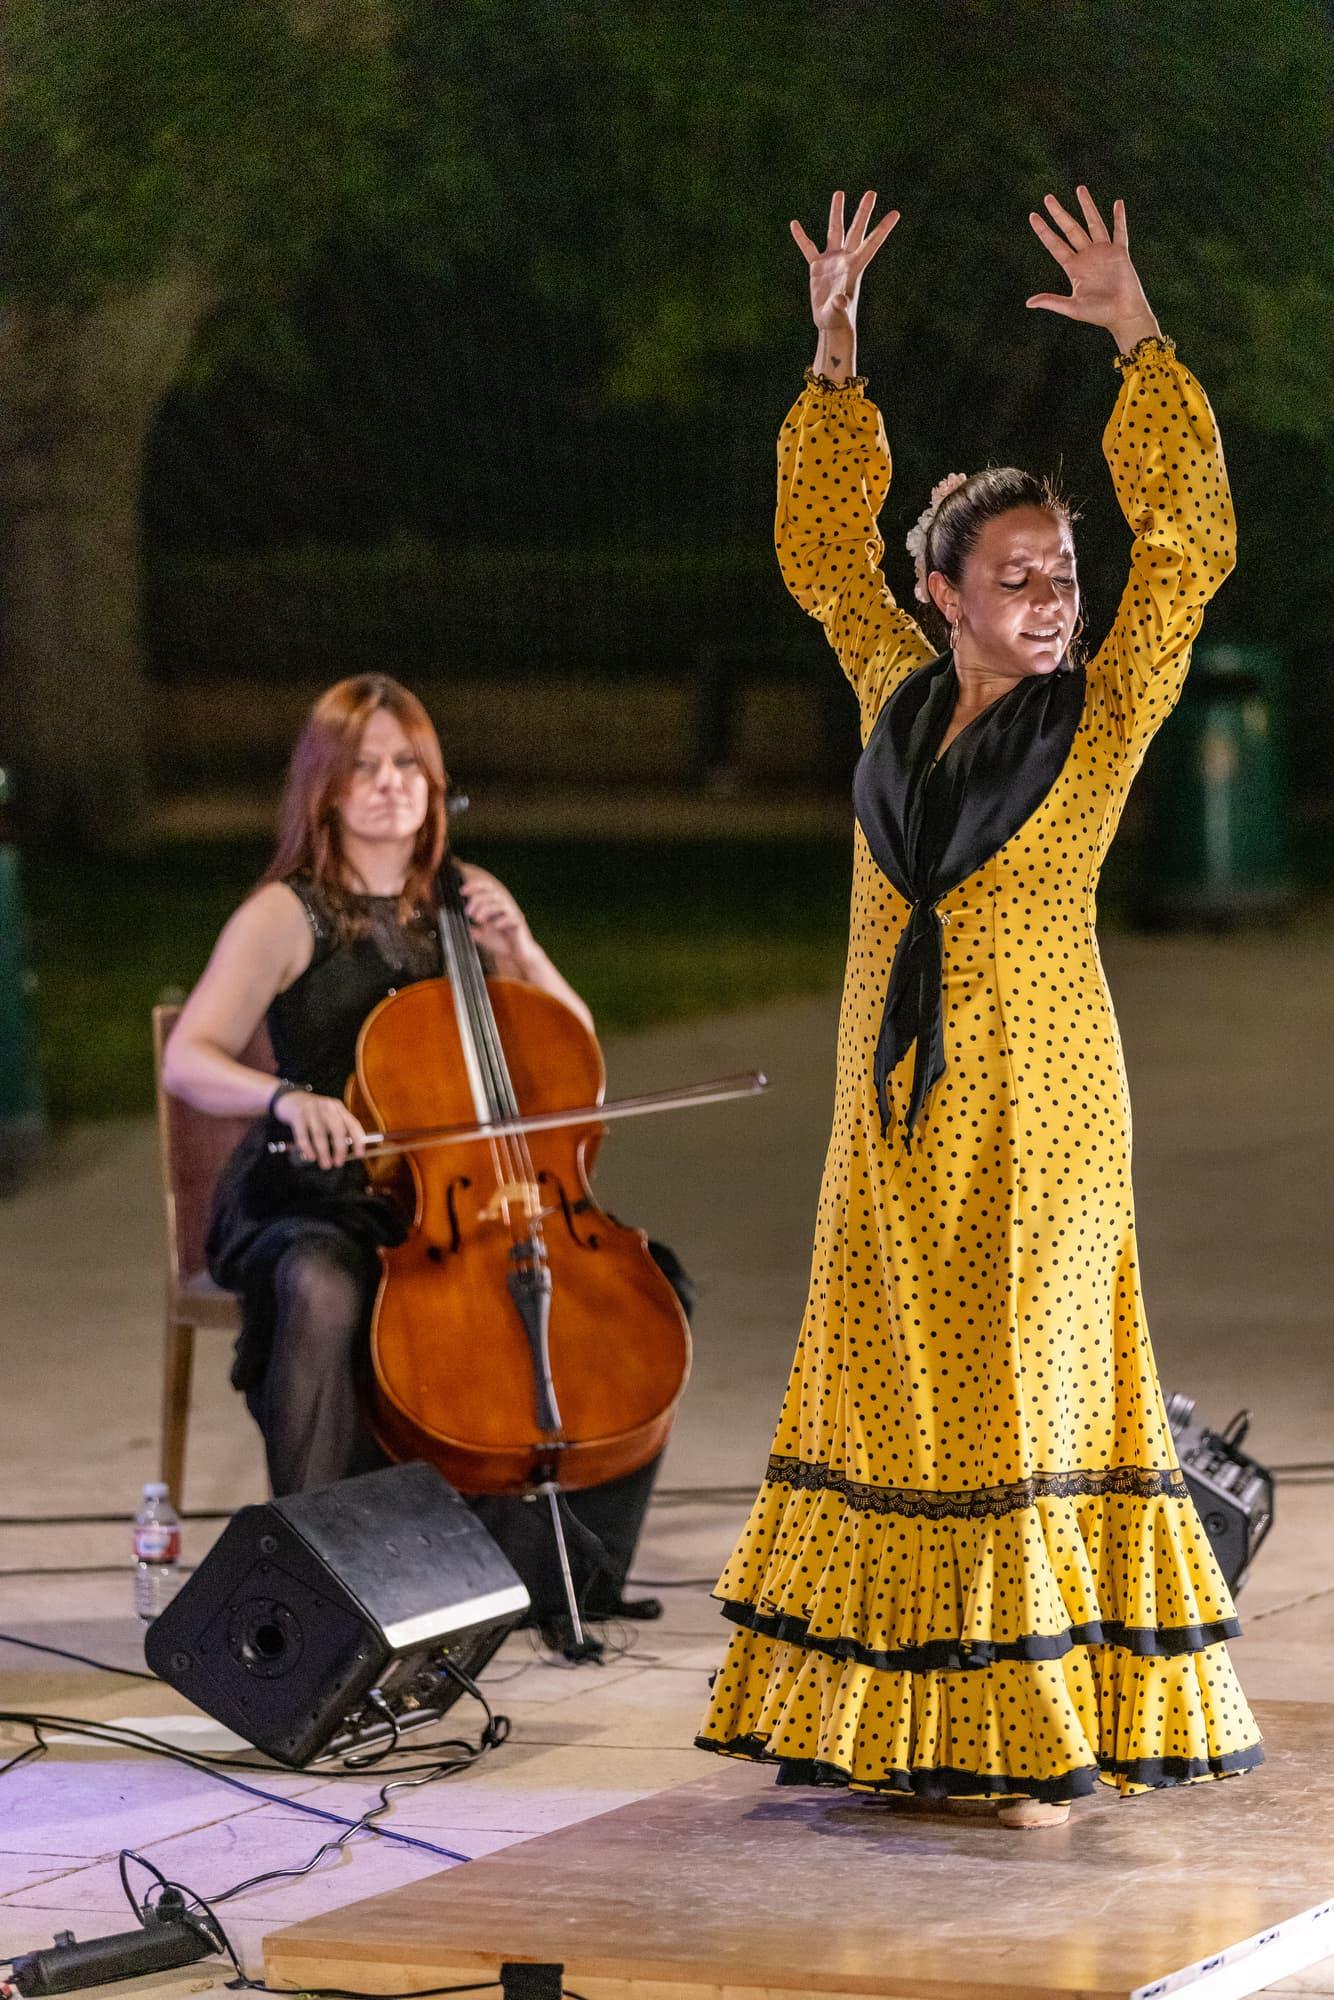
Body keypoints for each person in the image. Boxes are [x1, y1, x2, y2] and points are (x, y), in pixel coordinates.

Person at [695, 187, 1262, 1826]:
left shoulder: (1100, 717)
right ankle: (897, 1720)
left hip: (1047, 1108)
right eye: (1013, 573)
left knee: (1016, 1387)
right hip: (893, 1111)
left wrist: (1134, 333)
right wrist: (832, 344)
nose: (1048, 594)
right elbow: (817, 550)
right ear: (940, 594)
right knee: (898, 1387)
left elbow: (1192, 549)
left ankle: (1031, 1730)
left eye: (1057, 569)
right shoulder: (887, 690)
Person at [163, 673, 688, 1640]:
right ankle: (321, 1583)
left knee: (640, 1286)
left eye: (408, 764)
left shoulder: (464, 903)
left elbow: (573, 1058)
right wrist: (286, 1095)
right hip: (316, 1188)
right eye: (363, 767)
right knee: (323, 1289)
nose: (390, 784)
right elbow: (190, 1056)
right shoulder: (288, 913)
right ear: (323, 788)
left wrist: (522, 950)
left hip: (453, 1201)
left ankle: (558, 1567)